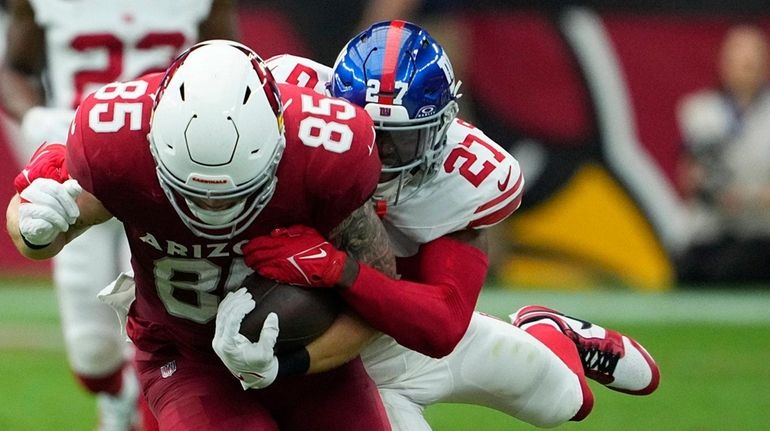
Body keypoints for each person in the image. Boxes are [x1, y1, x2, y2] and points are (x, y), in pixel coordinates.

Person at [250, 20, 660, 429]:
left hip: (407, 340)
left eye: (401, 139)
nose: (383, 155)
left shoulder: (461, 177)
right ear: (334, 112)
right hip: (339, 347)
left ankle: (547, 331)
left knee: (565, 401)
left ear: (440, 126)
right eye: (371, 133)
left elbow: (442, 325)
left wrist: (336, 268)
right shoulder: (288, 110)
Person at [7, 40, 395, 430]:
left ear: (281, 146)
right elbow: (33, 228)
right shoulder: (119, 145)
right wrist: (34, 227)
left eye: (236, 193)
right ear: (152, 147)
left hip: (307, 351)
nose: (211, 208)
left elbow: (379, 296)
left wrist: (294, 361)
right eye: (190, 192)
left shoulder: (322, 156)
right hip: (184, 355)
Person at [0, 1, 237, 429]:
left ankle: (153, 407)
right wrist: (36, 116)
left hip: (169, 177)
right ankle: (118, 397)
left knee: (170, 331)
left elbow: (235, 68)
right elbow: (13, 68)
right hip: (82, 174)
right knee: (92, 357)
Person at [676, 24, 770, 284]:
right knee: (692, 269)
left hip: (762, 233)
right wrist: (712, 190)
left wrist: (753, 198)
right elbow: (690, 176)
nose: (745, 66)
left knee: (740, 266)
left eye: (752, 60)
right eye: (738, 59)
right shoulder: (699, 111)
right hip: (712, 232)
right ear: (723, 63)